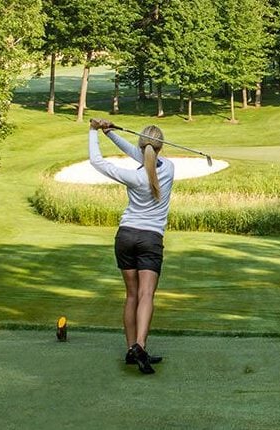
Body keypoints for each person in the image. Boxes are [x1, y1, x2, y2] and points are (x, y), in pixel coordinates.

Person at [88, 118, 174, 375]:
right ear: (160, 147)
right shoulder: (169, 168)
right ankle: (140, 346)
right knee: (146, 295)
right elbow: (143, 154)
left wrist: (96, 132)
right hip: (150, 239)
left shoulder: (132, 176)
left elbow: (98, 162)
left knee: (132, 295)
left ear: (142, 145)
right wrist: (110, 133)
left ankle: (130, 349)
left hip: (125, 237)